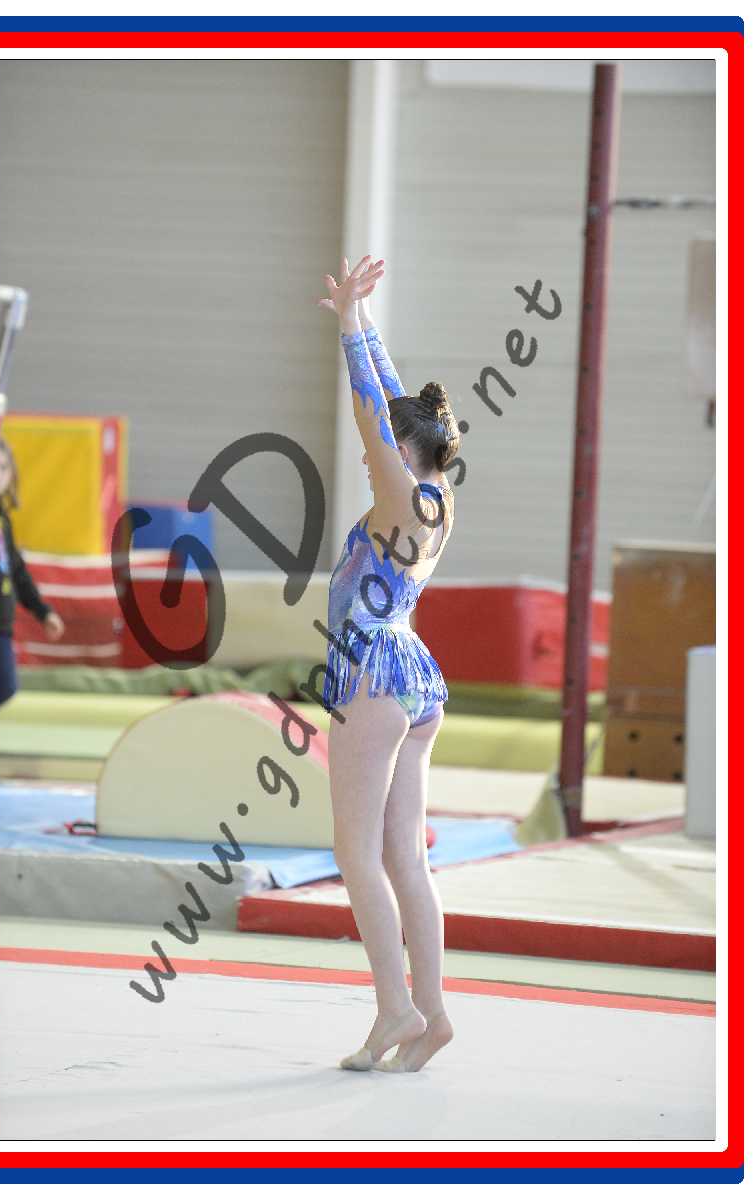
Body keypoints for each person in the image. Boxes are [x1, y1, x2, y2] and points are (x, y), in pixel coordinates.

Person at [318, 256, 460, 1073]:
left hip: (371, 675)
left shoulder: (398, 495)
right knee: (407, 855)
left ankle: (395, 1009)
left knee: (357, 854)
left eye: (384, 452)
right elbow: (398, 409)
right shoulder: (438, 494)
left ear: (401, 454)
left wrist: (347, 330)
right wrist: (364, 323)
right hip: (415, 673)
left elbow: (375, 415)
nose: (373, 456)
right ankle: (432, 1014)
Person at [0, 438, 65, 705]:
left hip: (1, 625)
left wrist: (43, 611)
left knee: (7, 688)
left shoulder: (2, 520)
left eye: (3, 467)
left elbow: (17, 572)